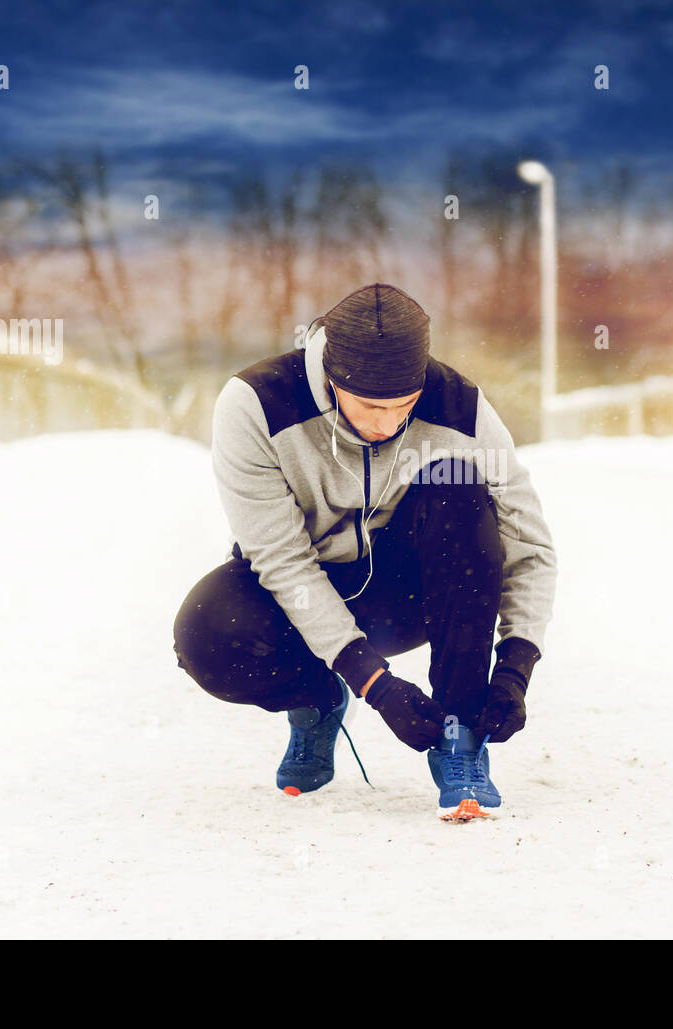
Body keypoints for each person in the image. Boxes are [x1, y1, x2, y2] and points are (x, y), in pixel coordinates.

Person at [172, 282, 557, 820]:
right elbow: (282, 561)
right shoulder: (255, 404)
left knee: (461, 494)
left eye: (404, 405)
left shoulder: (460, 406)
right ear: (332, 378)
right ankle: (317, 701)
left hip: (404, 595)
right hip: (299, 596)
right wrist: (374, 684)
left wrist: (517, 664)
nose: (387, 424)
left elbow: (531, 544)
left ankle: (460, 732)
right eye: (371, 405)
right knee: (207, 634)